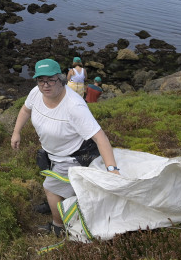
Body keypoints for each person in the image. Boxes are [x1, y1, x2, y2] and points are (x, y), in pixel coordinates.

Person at [11, 58, 120, 237]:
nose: (45, 85)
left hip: (73, 155)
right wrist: (16, 132)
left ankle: (59, 226)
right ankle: (54, 203)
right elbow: (25, 110)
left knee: (50, 188)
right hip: (51, 152)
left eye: (51, 80)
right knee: (47, 173)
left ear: (61, 79)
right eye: (41, 80)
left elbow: (101, 138)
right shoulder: (35, 93)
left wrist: (112, 170)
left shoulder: (74, 106)